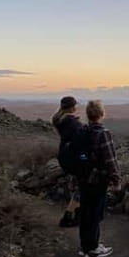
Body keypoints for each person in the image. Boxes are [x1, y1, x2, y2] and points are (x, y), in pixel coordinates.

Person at [77, 99, 121, 257]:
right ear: (102, 114)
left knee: (85, 211)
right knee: (95, 212)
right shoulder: (103, 133)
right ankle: (93, 249)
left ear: (88, 114)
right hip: (97, 179)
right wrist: (116, 180)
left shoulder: (82, 131)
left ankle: (85, 246)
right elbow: (110, 159)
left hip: (83, 178)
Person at [52, 96, 82, 227]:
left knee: (77, 186)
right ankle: (69, 217)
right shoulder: (72, 123)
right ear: (72, 107)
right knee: (81, 187)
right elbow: (80, 139)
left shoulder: (59, 120)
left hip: (64, 155)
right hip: (73, 157)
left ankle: (75, 215)